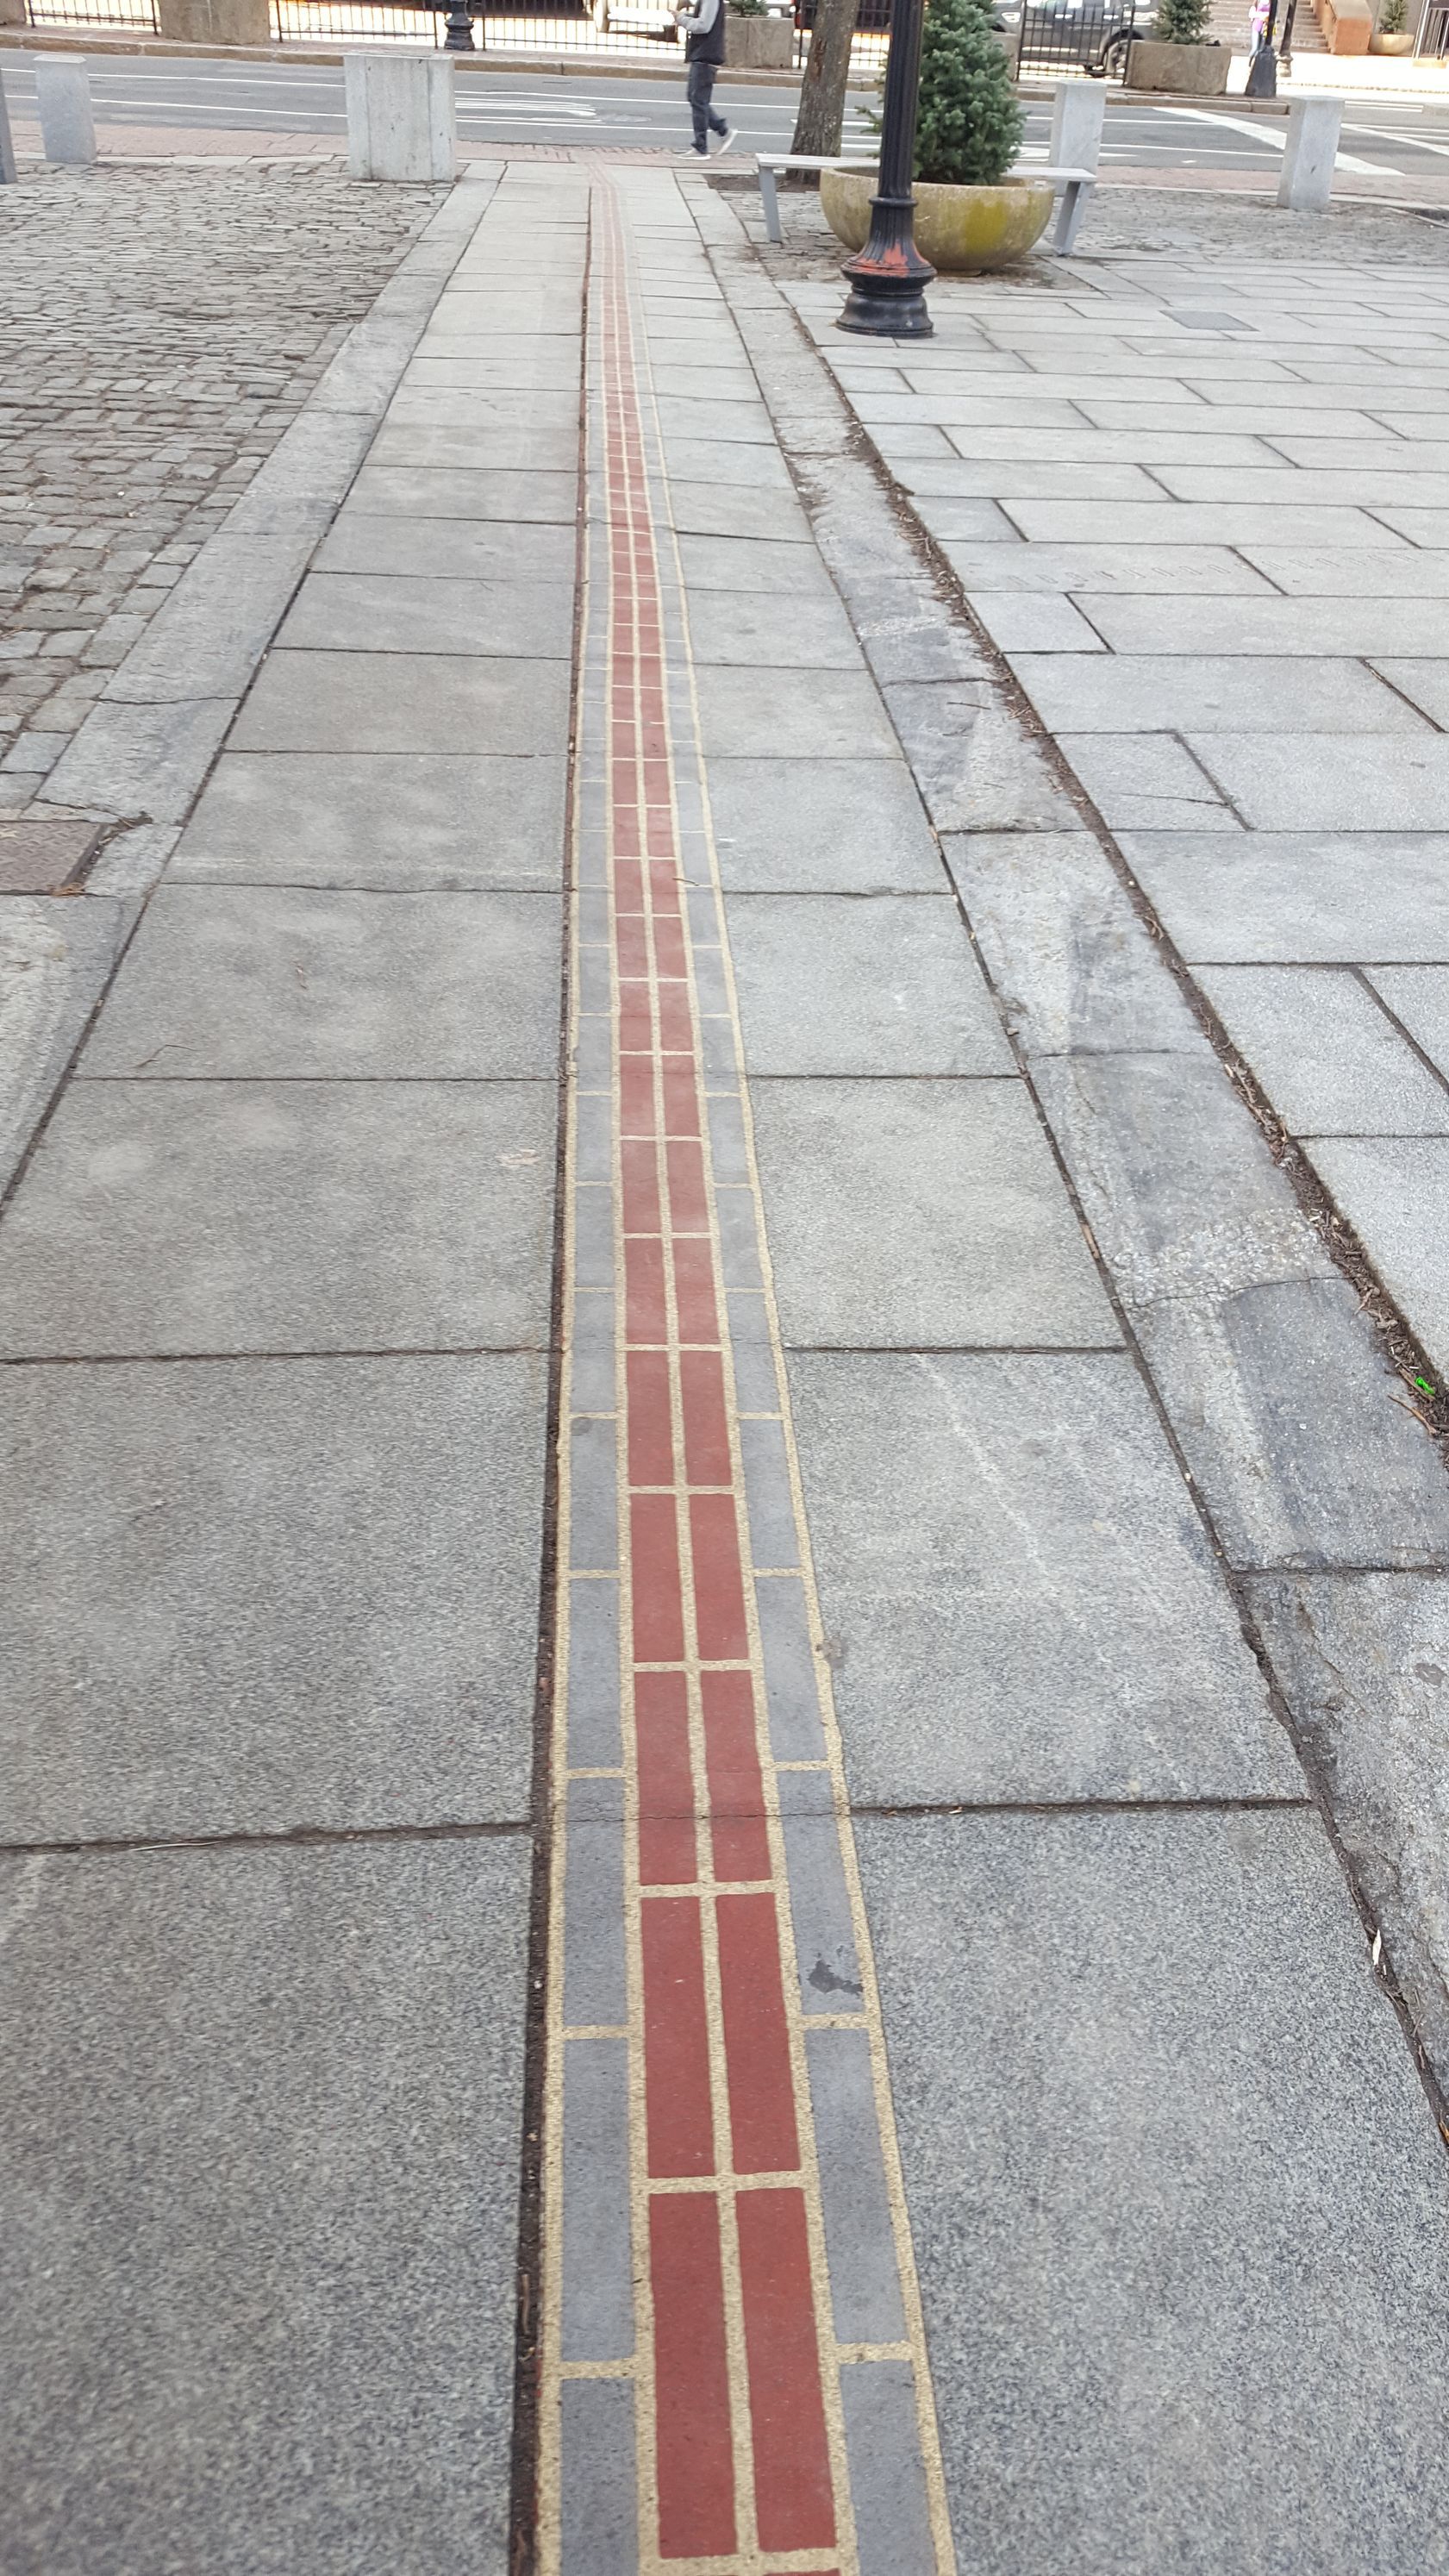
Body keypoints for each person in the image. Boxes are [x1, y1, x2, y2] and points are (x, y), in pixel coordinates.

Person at [673, 0, 734, 159]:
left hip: (705, 55)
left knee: (698, 100)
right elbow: (703, 19)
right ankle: (722, 130)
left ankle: (701, 147)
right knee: (696, 99)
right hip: (704, 55)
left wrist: (682, 19)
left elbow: (703, 25)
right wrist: (684, 17)